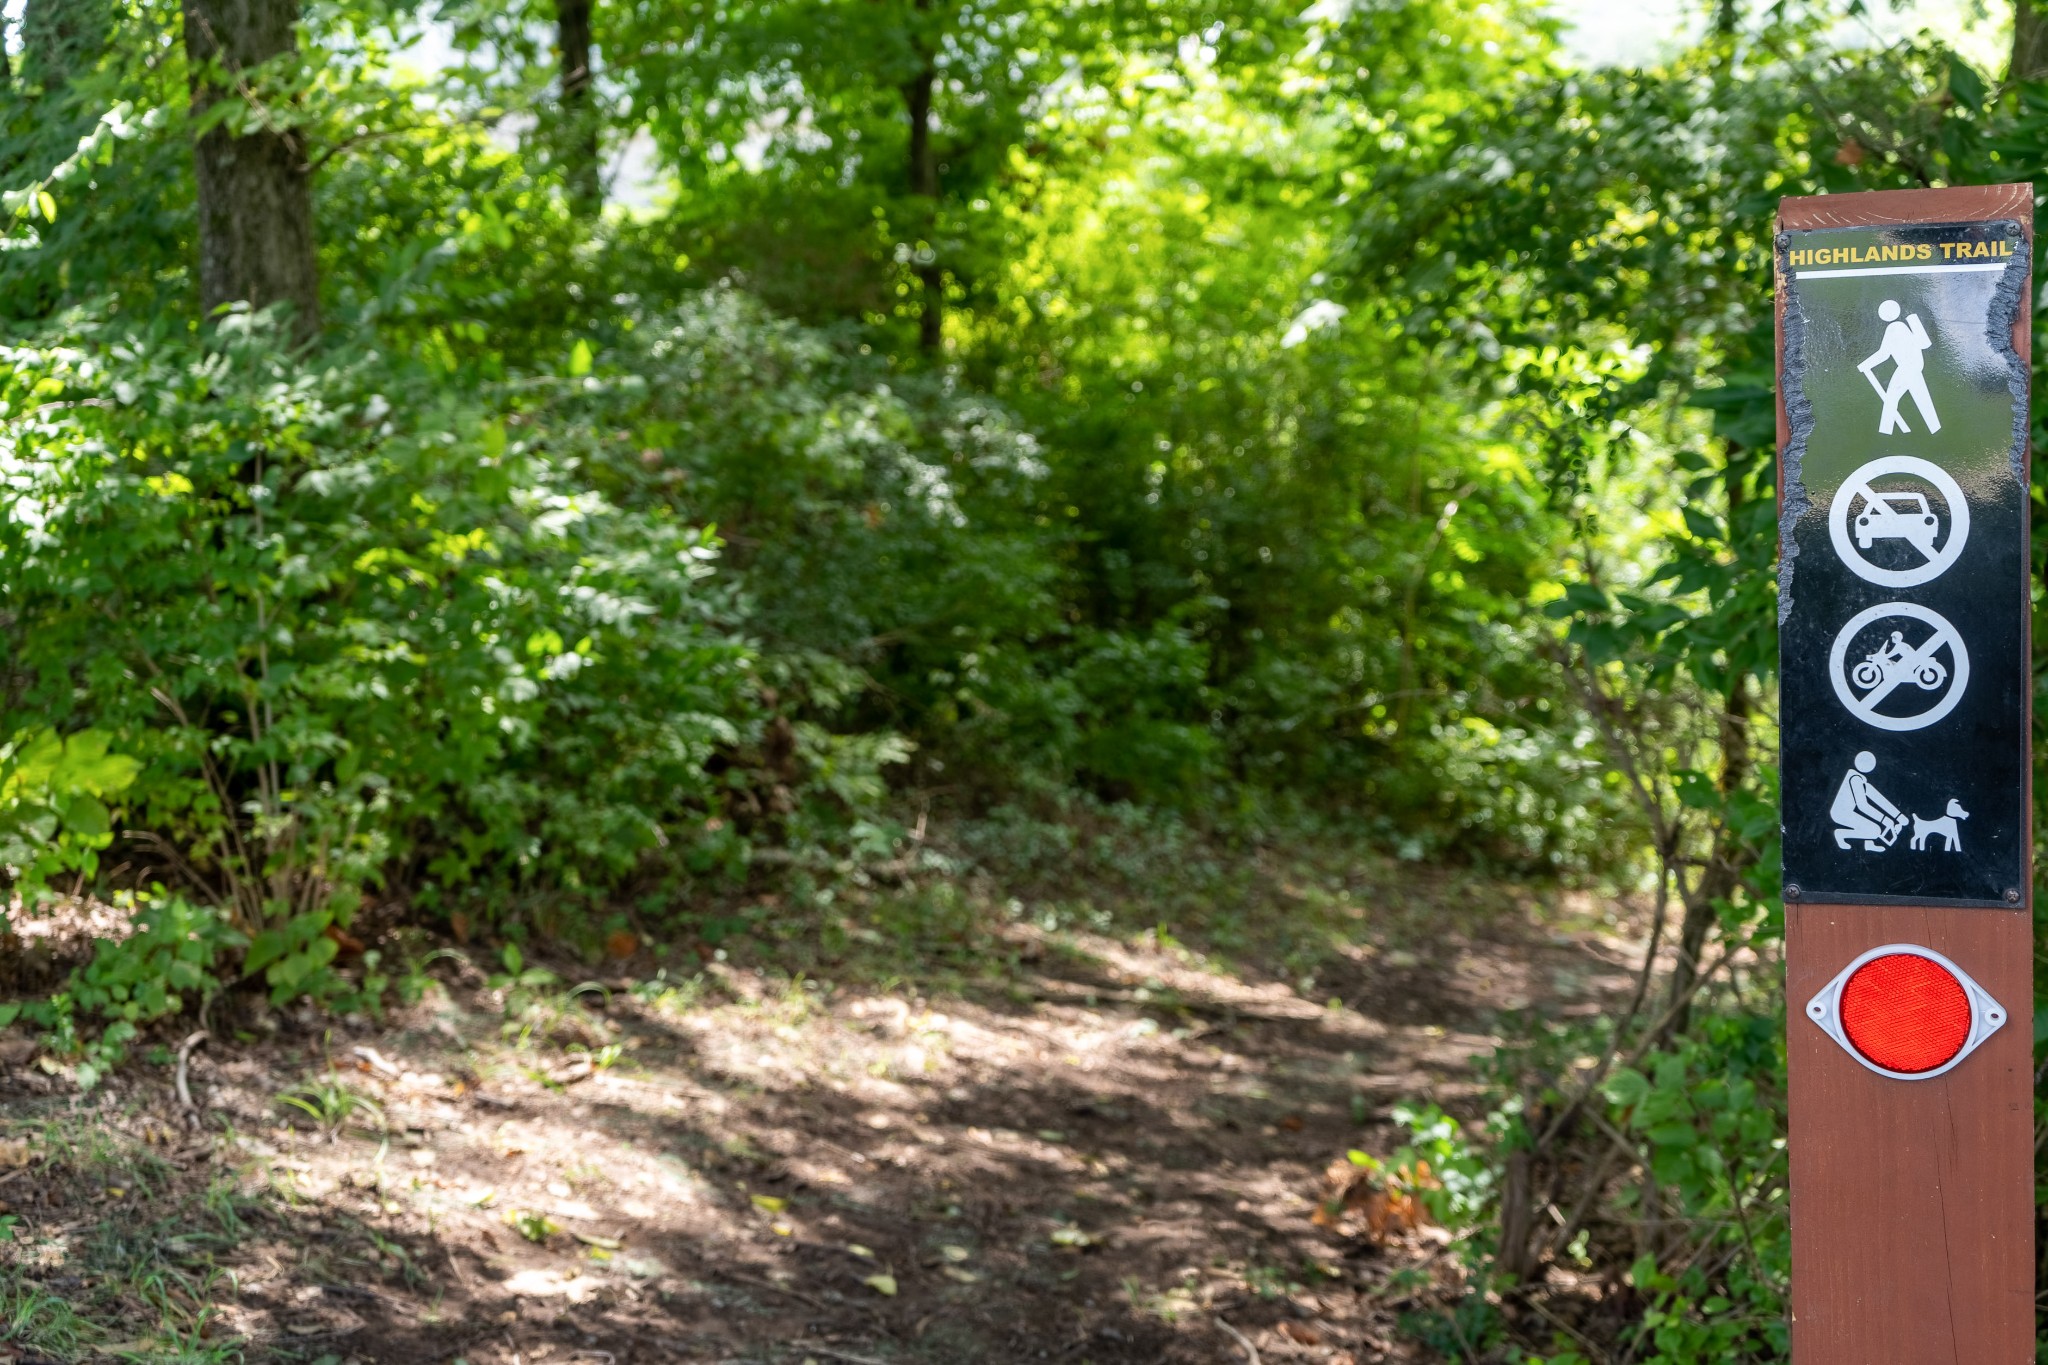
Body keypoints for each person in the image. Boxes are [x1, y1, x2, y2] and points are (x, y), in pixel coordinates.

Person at [1857, 299, 1939, 435]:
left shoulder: (1893, 328)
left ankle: (1885, 432)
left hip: (1907, 366)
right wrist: (1866, 365)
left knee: (1891, 398)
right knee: (1922, 397)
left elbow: (1884, 354)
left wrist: (1865, 365)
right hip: (1916, 365)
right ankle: (1934, 428)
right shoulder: (1903, 326)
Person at [1831, 750, 1906, 852]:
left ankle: (1869, 845)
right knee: (1875, 830)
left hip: (1848, 812)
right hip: (1841, 813)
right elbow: (1862, 806)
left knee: (1871, 824)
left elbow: (1877, 798)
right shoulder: (1855, 779)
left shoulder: (1861, 779)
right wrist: (1885, 820)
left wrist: (1899, 816)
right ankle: (1841, 834)